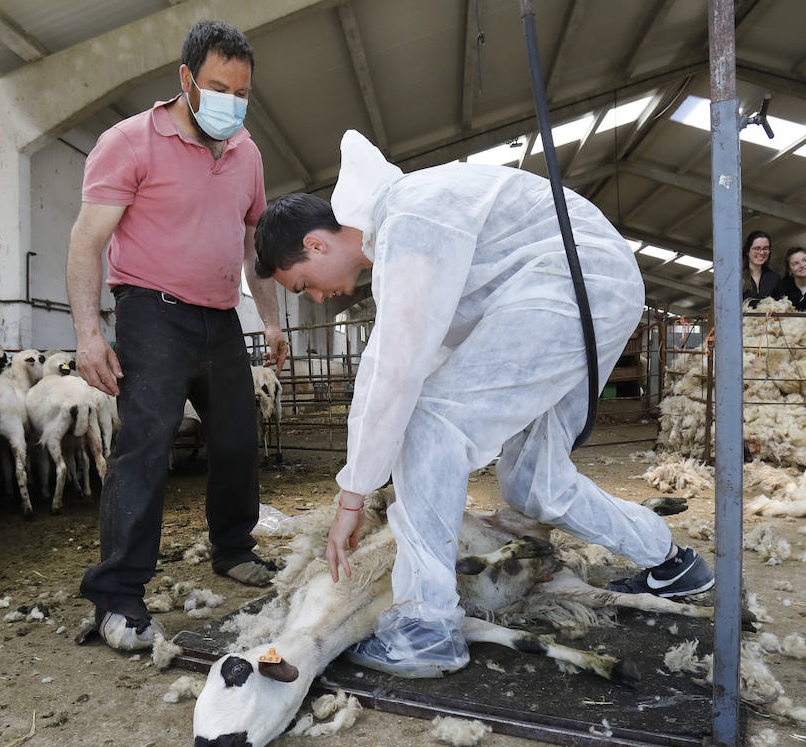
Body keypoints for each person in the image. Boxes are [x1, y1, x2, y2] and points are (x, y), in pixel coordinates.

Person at [253, 131, 714, 679]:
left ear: (317, 244)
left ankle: (426, 626)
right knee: (531, 480)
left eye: (303, 283)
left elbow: (393, 369)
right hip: (593, 289)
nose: (316, 297)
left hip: (568, 283)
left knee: (428, 425)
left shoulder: (408, 218)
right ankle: (672, 562)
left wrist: (352, 496)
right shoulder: (408, 224)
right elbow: (425, 358)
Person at [68, 21, 288, 651]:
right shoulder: (129, 142)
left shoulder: (246, 151)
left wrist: (268, 318)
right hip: (151, 311)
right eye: (220, 88)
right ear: (186, 80)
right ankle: (117, 598)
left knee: (237, 435)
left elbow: (254, 243)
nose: (233, 103)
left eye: (242, 92)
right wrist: (89, 334)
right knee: (144, 447)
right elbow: (87, 241)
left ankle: (233, 549)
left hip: (220, 316)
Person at [742, 230, 780, 305]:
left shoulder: (775, 278)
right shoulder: (736, 277)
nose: (762, 252)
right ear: (747, 251)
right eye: (757, 248)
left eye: (765, 248)